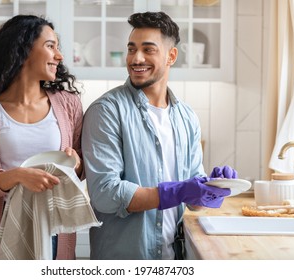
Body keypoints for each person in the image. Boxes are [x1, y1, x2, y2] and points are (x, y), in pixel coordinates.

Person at [81, 11, 237, 260]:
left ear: (171, 56)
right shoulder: (107, 111)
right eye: (132, 49)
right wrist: (176, 192)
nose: (136, 58)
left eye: (148, 49)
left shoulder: (186, 117)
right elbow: (105, 194)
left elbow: (194, 200)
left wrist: (213, 187)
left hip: (173, 256)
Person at [0, 15, 84, 260]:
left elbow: (80, 170)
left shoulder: (69, 104)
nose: (59, 56)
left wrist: (76, 162)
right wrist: (16, 176)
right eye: (50, 46)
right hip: (2, 223)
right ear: (23, 49)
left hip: (53, 228)